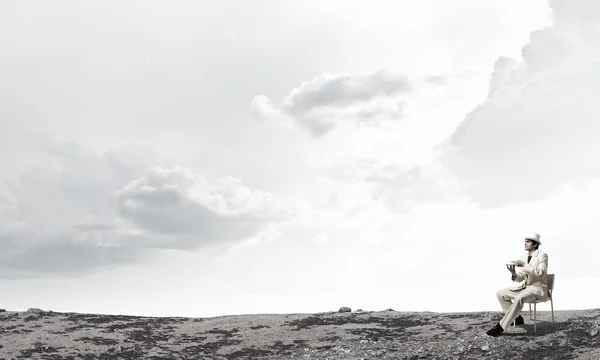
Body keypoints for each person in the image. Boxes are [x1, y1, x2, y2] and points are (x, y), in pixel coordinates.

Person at [486, 232, 549, 337]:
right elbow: (521, 278)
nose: (525, 243)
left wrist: (524, 264)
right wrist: (514, 273)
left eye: (528, 241)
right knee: (500, 293)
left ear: (535, 244)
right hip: (525, 288)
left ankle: (501, 326)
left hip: (537, 289)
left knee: (519, 298)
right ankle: (517, 318)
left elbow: (541, 273)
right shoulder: (523, 257)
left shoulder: (542, 256)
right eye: (525, 241)